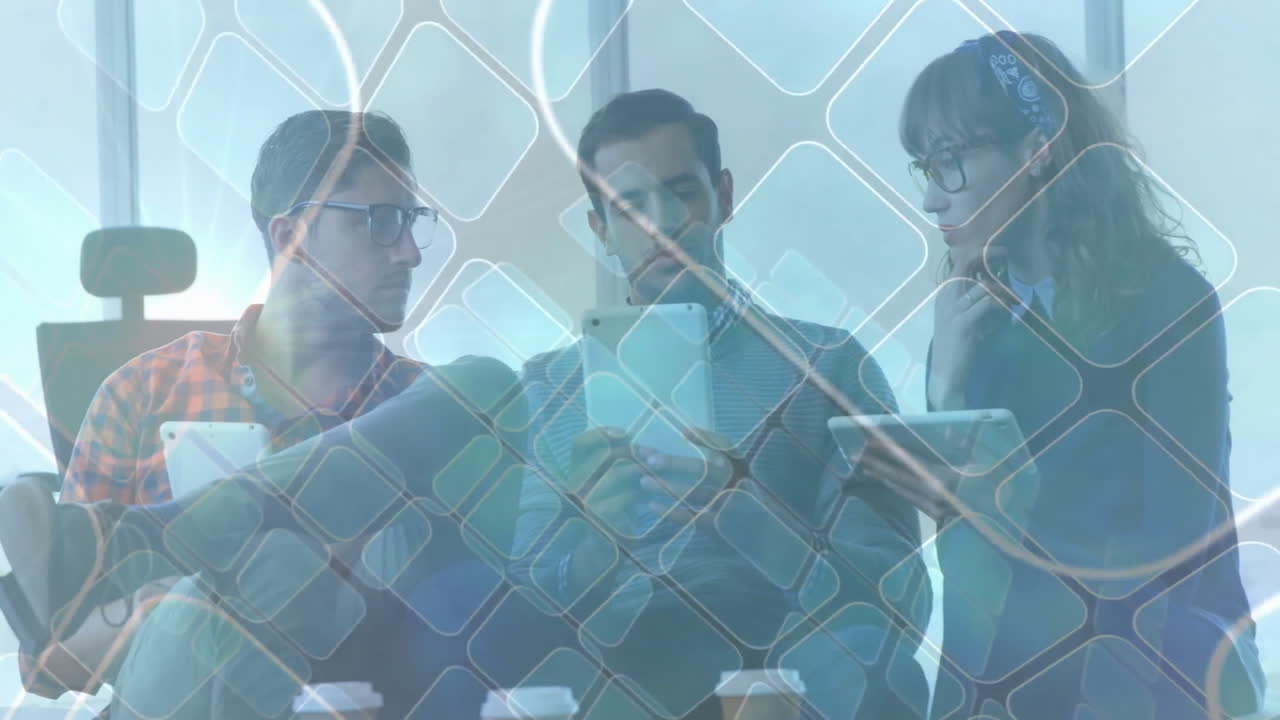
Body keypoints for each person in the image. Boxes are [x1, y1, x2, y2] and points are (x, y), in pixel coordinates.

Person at [0, 110, 525, 719]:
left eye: (412, 222)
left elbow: (484, 625)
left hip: (374, 689)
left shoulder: (425, 408)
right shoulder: (143, 394)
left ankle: (151, 532)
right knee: (263, 572)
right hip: (187, 691)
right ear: (290, 236)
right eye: (381, 223)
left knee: (481, 386)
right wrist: (164, 604)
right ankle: (194, 561)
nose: (409, 252)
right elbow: (49, 665)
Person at [429, 89, 935, 720]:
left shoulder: (829, 365)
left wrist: (748, 518)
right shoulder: (551, 388)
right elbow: (525, 611)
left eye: (682, 192)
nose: (661, 223)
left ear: (724, 196)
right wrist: (599, 544)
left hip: (782, 669)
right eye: (628, 205)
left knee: (866, 661)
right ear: (601, 231)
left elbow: (892, 600)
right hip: (617, 676)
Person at [857, 31, 1265, 718]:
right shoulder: (968, 325)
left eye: (951, 161)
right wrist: (946, 390)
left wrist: (988, 500)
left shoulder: (1169, 302)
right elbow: (966, 564)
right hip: (1012, 664)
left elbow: (1172, 548)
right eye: (924, 167)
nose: (932, 198)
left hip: (1154, 656)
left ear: (1037, 150)